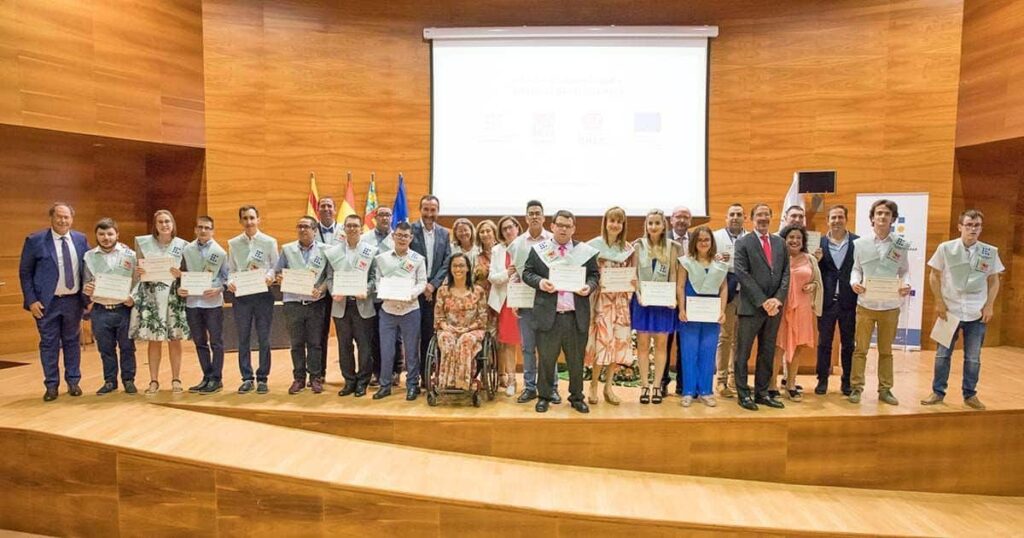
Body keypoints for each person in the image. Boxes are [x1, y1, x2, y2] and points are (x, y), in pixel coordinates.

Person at [921, 209, 1003, 410]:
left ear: (981, 228)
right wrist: (939, 302)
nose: (973, 229)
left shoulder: (990, 252)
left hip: (976, 311)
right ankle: (938, 392)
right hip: (950, 309)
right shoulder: (946, 248)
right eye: (969, 225)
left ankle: (970, 394)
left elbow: (994, 280)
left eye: (977, 226)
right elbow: (934, 275)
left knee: (973, 357)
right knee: (942, 354)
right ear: (960, 227)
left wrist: (989, 305)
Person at [522, 210, 600, 413]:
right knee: (547, 359)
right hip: (549, 315)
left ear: (574, 228)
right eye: (560, 225)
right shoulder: (540, 250)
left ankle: (576, 397)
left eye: (568, 226)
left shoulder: (584, 251)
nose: (564, 229)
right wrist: (540, 282)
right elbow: (527, 273)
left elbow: (594, 275)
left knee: (576, 361)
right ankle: (544, 396)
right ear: (553, 226)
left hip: (576, 316)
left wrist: (589, 287)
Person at [19, 202, 89, 401]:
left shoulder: (80, 239)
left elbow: (92, 263)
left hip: (73, 301)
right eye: (59, 216)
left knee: (72, 342)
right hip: (45, 304)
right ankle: (51, 385)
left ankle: (73, 381)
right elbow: (25, 273)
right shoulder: (35, 240)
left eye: (66, 217)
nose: (63, 220)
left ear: (71, 219)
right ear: (51, 218)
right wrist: (31, 301)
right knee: (49, 344)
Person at [849, 199, 911, 405]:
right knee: (860, 350)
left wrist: (906, 284)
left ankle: (885, 389)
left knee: (886, 351)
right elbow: (856, 268)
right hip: (865, 304)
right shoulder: (860, 243)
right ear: (872, 218)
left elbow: (904, 271)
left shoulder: (900, 245)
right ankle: (856, 387)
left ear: (893, 218)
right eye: (879, 213)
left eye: (887, 213)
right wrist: (854, 282)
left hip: (890, 306)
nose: (882, 217)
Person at [733, 203, 790, 411]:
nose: (763, 218)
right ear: (751, 218)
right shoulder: (743, 242)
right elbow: (741, 273)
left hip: (774, 308)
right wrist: (762, 300)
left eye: (767, 214)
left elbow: (786, 273)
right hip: (751, 307)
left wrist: (777, 299)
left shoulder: (780, 242)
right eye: (759, 215)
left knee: (767, 352)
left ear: (772, 217)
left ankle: (762, 392)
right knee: (743, 353)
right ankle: (743, 394)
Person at [132, 210, 190, 394]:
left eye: (167, 221)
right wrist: (139, 272)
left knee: (174, 339)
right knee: (154, 340)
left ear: (172, 224)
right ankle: (154, 381)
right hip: (152, 297)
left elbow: (189, 274)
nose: (164, 225)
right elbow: (136, 272)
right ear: (155, 225)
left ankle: (176, 379)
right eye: (160, 222)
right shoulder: (144, 244)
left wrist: (181, 276)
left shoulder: (183, 245)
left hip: (174, 297)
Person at [509, 200, 559, 404]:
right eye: (531, 213)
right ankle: (529, 387)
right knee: (528, 347)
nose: (535, 216)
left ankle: (552, 387)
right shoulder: (518, 243)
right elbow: (515, 274)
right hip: (525, 301)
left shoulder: (553, 241)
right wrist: (513, 300)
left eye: (538, 213)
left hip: (548, 302)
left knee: (549, 348)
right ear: (526, 218)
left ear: (544, 217)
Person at [584, 206, 635, 405]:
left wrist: (632, 282)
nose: (615, 225)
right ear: (605, 223)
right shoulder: (593, 247)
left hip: (620, 302)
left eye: (619, 222)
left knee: (617, 343)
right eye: (611, 220)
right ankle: (594, 385)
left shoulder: (628, 249)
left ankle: (609, 387)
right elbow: (587, 274)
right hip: (602, 302)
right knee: (602, 343)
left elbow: (632, 274)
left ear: (623, 226)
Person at [226, 205, 279, 394]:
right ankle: (247, 377)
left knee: (264, 338)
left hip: (263, 295)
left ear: (258, 219)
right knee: (243, 338)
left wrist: (270, 277)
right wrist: (230, 282)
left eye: (252, 218)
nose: (249, 222)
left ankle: (263, 378)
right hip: (242, 296)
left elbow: (275, 266)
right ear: (240, 221)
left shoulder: (269, 242)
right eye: (245, 218)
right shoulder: (233, 244)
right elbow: (231, 269)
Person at [275, 216, 330, 394]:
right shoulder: (287, 249)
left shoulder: (325, 250)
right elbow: (277, 272)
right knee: (296, 343)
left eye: (306, 226)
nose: (302, 229)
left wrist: (321, 290)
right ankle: (298, 378)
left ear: (314, 230)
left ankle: (315, 378)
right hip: (293, 303)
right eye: (299, 226)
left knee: (315, 343)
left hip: (315, 303)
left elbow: (330, 277)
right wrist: (279, 277)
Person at [82, 218, 137, 395]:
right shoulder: (89, 256)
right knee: (105, 349)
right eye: (102, 234)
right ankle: (110, 381)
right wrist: (88, 289)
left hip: (124, 308)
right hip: (100, 310)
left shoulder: (130, 255)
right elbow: (86, 283)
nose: (106, 237)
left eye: (110, 233)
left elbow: (138, 282)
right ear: (96, 236)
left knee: (127, 347)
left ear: (117, 235)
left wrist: (133, 297)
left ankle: (128, 380)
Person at [326, 214, 378, 397]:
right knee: (344, 346)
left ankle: (363, 382)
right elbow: (330, 278)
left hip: (363, 305)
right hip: (341, 307)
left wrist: (367, 289)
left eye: (356, 226)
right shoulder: (334, 252)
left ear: (361, 229)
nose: (352, 229)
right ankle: (349, 381)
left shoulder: (371, 251)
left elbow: (374, 278)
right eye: (349, 226)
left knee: (365, 347)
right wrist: (334, 291)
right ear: (344, 229)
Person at [631, 209, 680, 405]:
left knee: (661, 345)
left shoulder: (672, 247)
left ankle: (657, 385)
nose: (653, 227)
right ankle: (644, 385)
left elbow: (674, 276)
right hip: (643, 301)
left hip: (664, 303)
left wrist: (674, 298)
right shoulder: (638, 246)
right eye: (650, 223)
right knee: (642, 345)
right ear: (646, 225)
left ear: (663, 225)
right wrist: (639, 295)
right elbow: (633, 275)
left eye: (657, 223)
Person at [374, 221, 427, 400]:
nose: (402, 238)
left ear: (411, 238)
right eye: (399, 235)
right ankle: (385, 385)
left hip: (410, 309)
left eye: (406, 236)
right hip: (388, 310)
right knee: (386, 349)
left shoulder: (418, 259)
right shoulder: (381, 259)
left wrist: (411, 294)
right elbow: (377, 281)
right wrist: (384, 292)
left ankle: (412, 385)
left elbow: (422, 282)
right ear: (393, 236)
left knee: (412, 350)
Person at [176, 216, 229, 394]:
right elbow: (182, 274)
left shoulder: (220, 252)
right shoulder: (187, 250)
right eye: (200, 227)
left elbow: (226, 277)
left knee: (216, 342)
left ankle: (217, 378)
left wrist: (219, 289)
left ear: (212, 231)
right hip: (193, 302)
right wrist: (181, 288)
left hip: (212, 302)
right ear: (195, 230)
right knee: (199, 342)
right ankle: (206, 377)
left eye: (207, 228)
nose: (203, 231)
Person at [676, 225, 727, 407]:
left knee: (708, 351)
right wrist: (681, 309)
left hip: (711, 315)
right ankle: (689, 391)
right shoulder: (685, 262)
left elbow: (723, 287)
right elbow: (680, 286)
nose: (703, 243)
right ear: (694, 242)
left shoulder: (719, 264)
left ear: (712, 242)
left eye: (706, 240)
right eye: (699, 240)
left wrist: (722, 311)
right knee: (689, 352)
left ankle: (706, 390)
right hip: (689, 314)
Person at [772, 225, 823, 402]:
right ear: (784, 240)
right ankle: (772, 385)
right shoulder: (777, 258)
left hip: (802, 308)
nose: (794, 241)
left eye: (798, 238)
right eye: (791, 237)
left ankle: (791, 384)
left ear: (803, 241)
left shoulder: (810, 259)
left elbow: (817, 281)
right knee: (778, 347)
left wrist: (813, 286)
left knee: (799, 346)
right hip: (781, 307)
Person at [815, 205, 858, 395]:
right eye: (833, 217)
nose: (837, 221)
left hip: (849, 301)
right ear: (827, 220)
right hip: (827, 302)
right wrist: (815, 260)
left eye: (840, 217)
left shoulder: (858, 242)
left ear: (846, 219)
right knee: (824, 343)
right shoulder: (819, 243)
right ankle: (822, 380)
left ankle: (846, 381)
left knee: (848, 344)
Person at [411, 195, 451, 389]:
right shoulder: (410, 230)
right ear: (420, 210)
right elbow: (406, 260)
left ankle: (427, 376)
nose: (429, 214)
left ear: (438, 211)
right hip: (412, 293)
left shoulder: (444, 233)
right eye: (426, 209)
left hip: (435, 293)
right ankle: (412, 378)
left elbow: (446, 262)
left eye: (433, 210)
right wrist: (421, 285)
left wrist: (432, 285)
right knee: (413, 336)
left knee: (430, 335)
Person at [434, 254, 489, 390]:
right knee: (448, 340)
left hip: (472, 330)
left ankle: (463, 383)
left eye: (461, 265)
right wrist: (448, 328)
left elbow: (482, 318)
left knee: (465, 340)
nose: (458, 269)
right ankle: (446, 382)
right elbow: (439, 317)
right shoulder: (443, 291)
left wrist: (467, 329)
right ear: (450, 269)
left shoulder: (478, 291)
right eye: (455, 266)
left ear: (468, 268)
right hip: (448, 329)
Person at [361, 206, 398, 386]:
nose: (384, 218)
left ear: (392, 218)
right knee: (375, 335)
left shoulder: (398, 237)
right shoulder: (365, 238)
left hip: (393, 295)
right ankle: (377, 371)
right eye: (381, 214)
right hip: (372, 295)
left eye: (387, 215)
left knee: (395, 336)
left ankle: (396, 371)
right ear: (375, 217)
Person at [712, 203, 747, 397]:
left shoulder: (750, 238)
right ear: (726, 218)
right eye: (732, 214)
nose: (735, 217)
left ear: (744, 218)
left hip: (747, 292)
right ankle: (722, 380)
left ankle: (736, 379)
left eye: (739, 214)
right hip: (726, 290)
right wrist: (715, 258)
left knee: (741, 339)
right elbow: (706, 258)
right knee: (725, 337)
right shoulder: (716, 237)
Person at [488, 216, 524, 397]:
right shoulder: (497, 250)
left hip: (526, 300)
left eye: (511, 227)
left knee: (529, 342)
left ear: (518, 228)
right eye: (504, 229)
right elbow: (492, 277)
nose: (508, 231)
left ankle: (532, 381)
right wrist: (507, 272)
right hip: (506, 302)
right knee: (509, 343)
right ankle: (511, 379)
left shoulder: (527, 245)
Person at [663, 205, 692, 394]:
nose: (681, 220)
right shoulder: (662, 240)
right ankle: (662, 382)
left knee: (685, 343)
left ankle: (683, 384)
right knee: (665, 341)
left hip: (689, 298)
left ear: (690, 221)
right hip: (664, 297)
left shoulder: (697, 240)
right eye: (678, 217)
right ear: (671, 220)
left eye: (686, 217)